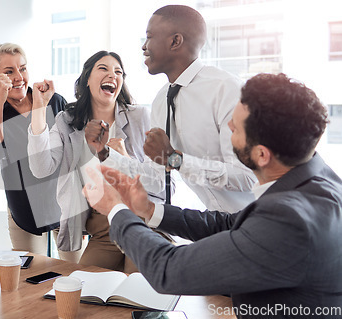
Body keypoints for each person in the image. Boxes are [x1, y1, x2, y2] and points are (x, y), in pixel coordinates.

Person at [83, 73, 342, 318]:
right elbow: (229, 224)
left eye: (236, 128)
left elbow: (169, 270)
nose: (228, 125)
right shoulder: (314, 180)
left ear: (262, 155)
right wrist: (149, 209)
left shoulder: (289, 218)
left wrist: (116, 209)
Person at [28, 51, 162, 273]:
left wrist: (121, 157)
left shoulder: (140, 117)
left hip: (143, 222)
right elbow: (41, 168)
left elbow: (161, 183)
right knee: (84, 287)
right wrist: (39, 109)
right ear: (87, 79)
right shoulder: (67, 120)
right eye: (104, 69)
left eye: (118, 72)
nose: (112, 75)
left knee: (136, 290)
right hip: (103, 228)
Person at [142, 5, 256, 212]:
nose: (144, 46)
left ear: (175, 41)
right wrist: (109, 157)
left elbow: (248, 177)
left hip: (255, 223)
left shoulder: (226, 89)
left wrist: (175, 159)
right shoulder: (161, 100)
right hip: (211, 225)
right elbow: (158, 179)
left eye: (149, 37)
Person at [0, 43, 81, 261]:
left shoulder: (53, 100)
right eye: (9, 72)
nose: (19, 77)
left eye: (22, 69)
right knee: (31, 281)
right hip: (24, 210)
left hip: (63, 203)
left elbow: (75, 148)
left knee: (75, 273)